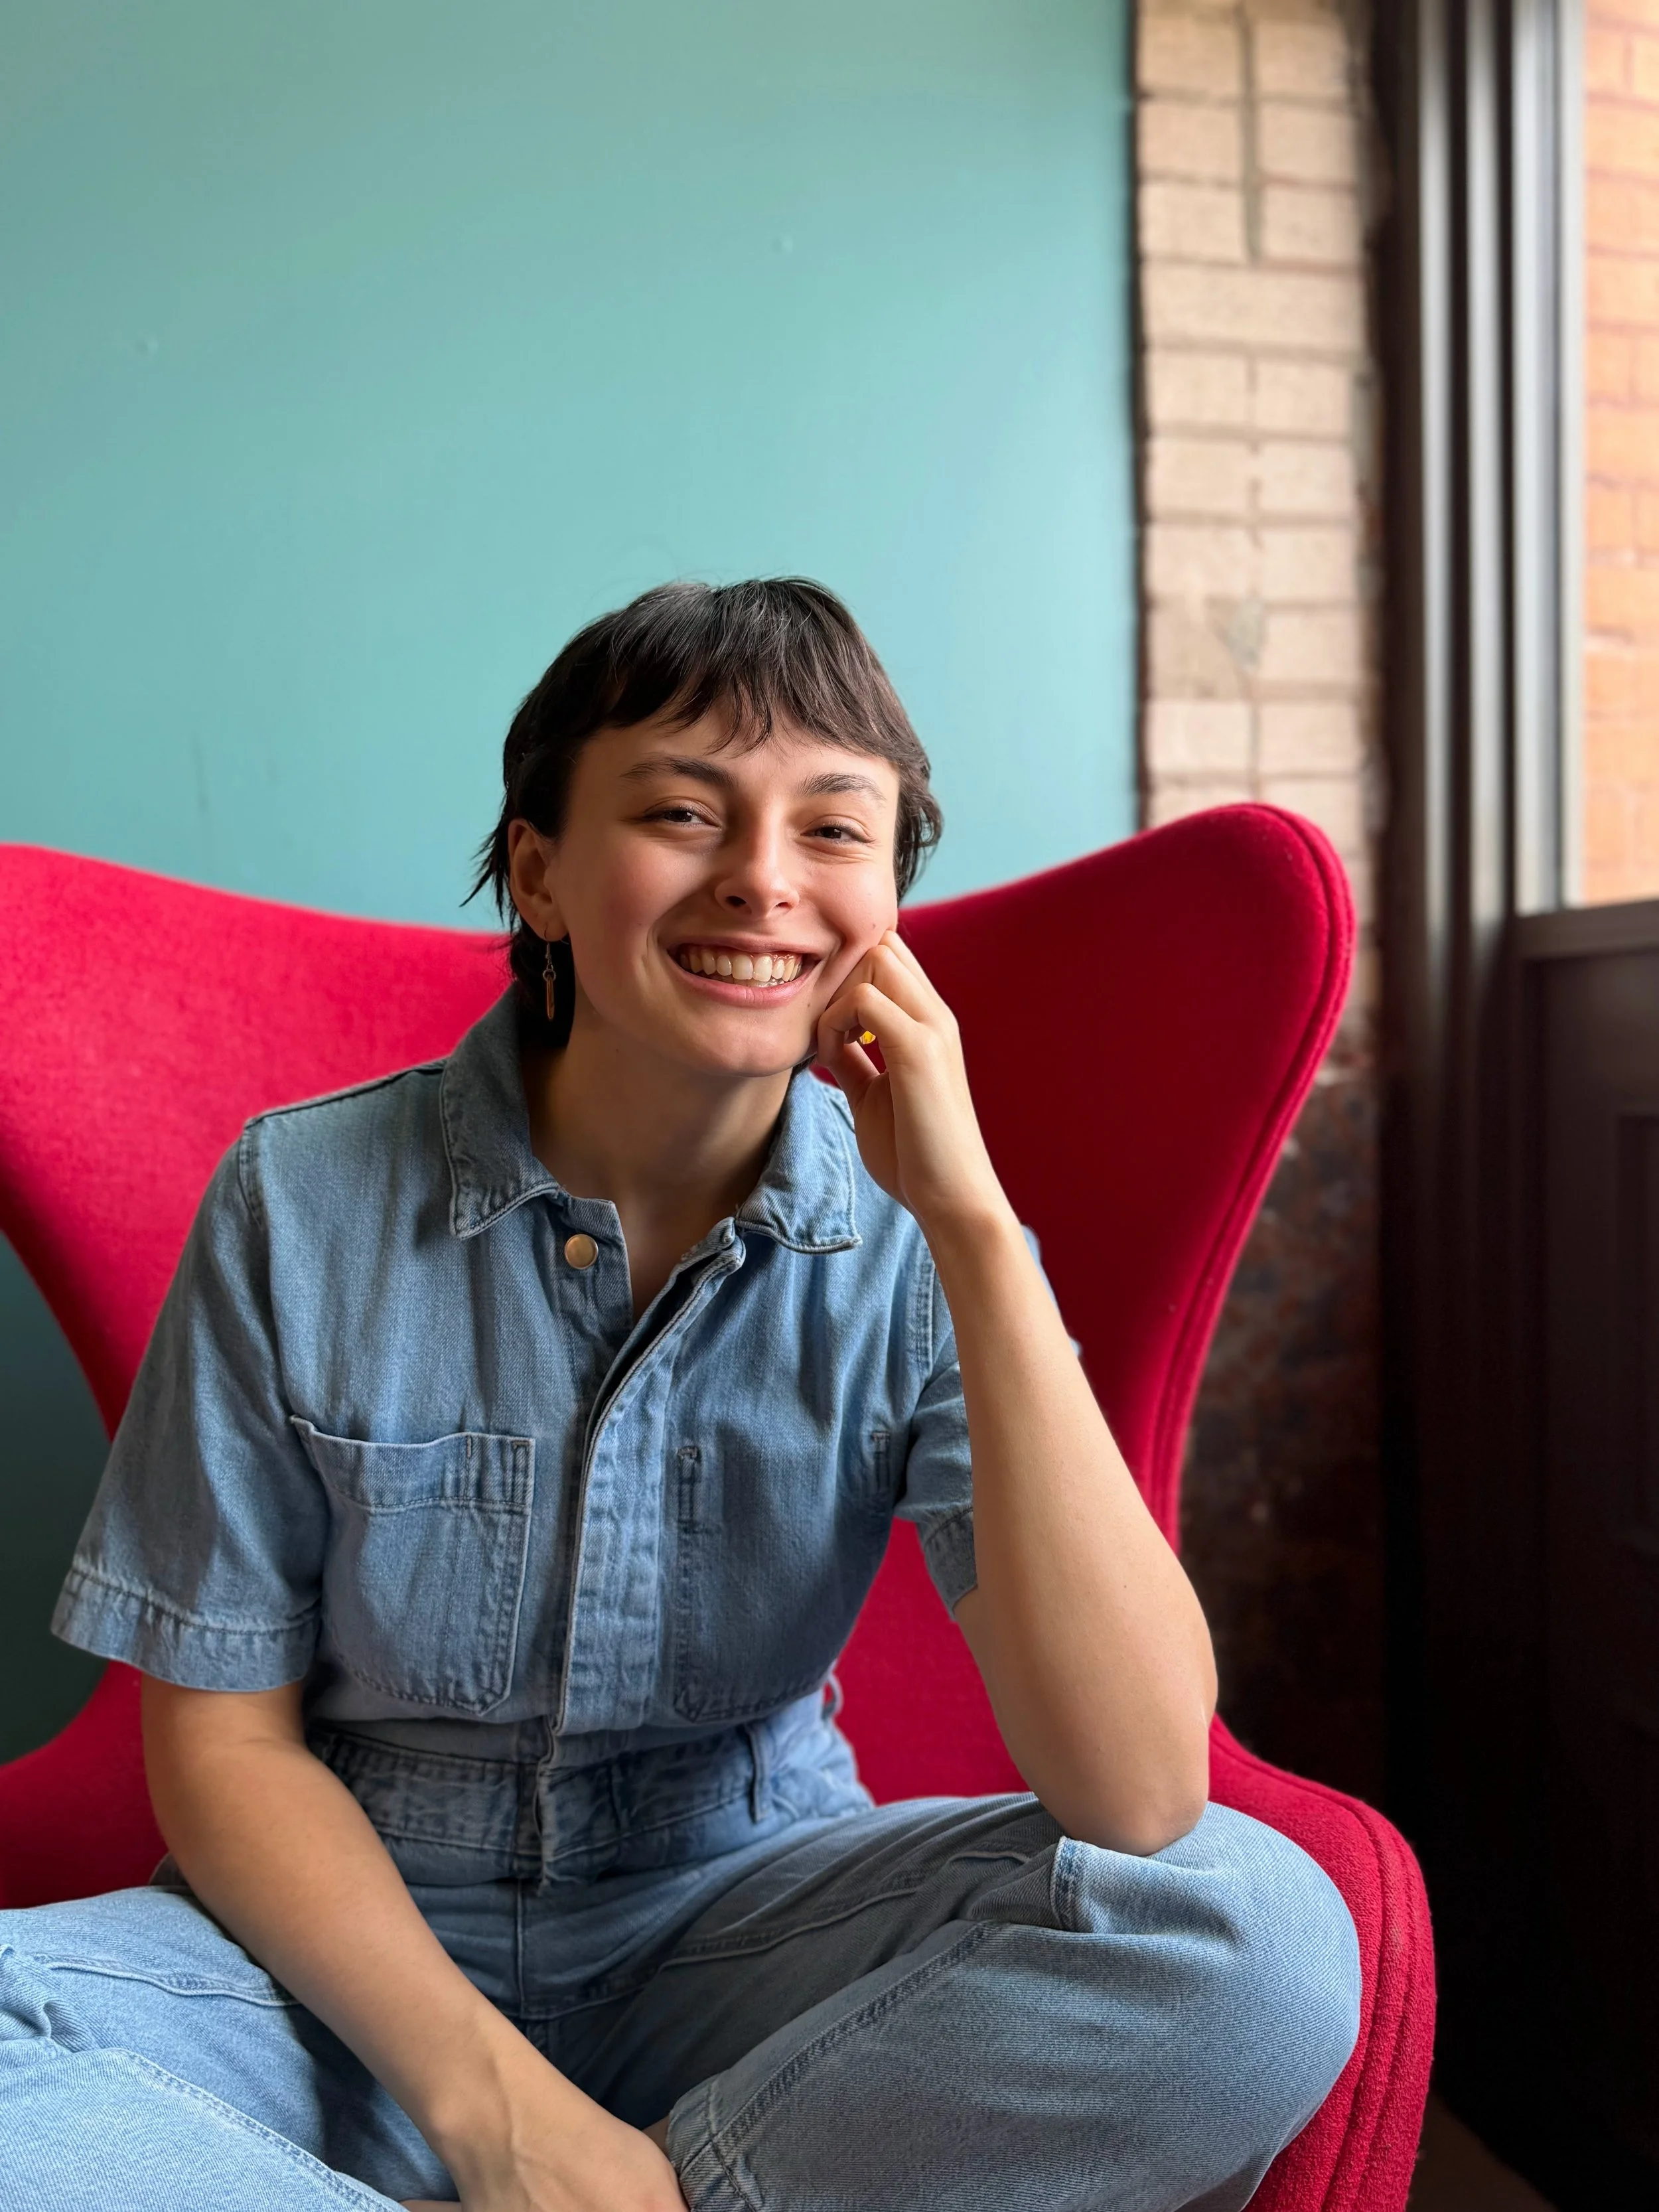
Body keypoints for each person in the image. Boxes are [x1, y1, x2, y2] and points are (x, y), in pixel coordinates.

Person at [0, 580, 1359, 2212]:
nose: (764, 881)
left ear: (887, 904)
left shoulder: (917, 1234)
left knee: (1255, 1937)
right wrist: (497, 2111)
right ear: (541, 875)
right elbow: (222, 1744)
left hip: (754, 1930)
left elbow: (1137, 1790)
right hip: (342, 1965)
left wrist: (977, 1229)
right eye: (680, 810)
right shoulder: (299, 1199)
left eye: (834, 830)